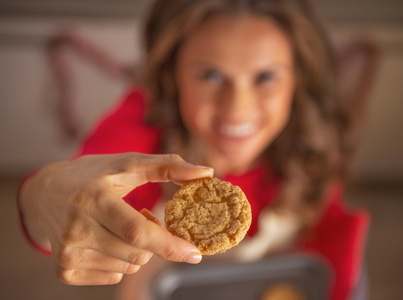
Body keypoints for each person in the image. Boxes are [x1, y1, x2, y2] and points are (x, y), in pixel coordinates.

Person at [17, 0, 370, 299]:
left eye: (265, 77)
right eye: (211, 76)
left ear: (298, 78)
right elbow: (82, 195)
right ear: (173, 75)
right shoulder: (142, 132)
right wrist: (44, 194)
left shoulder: (311, 135)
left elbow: (331, 229)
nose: (238, 108)